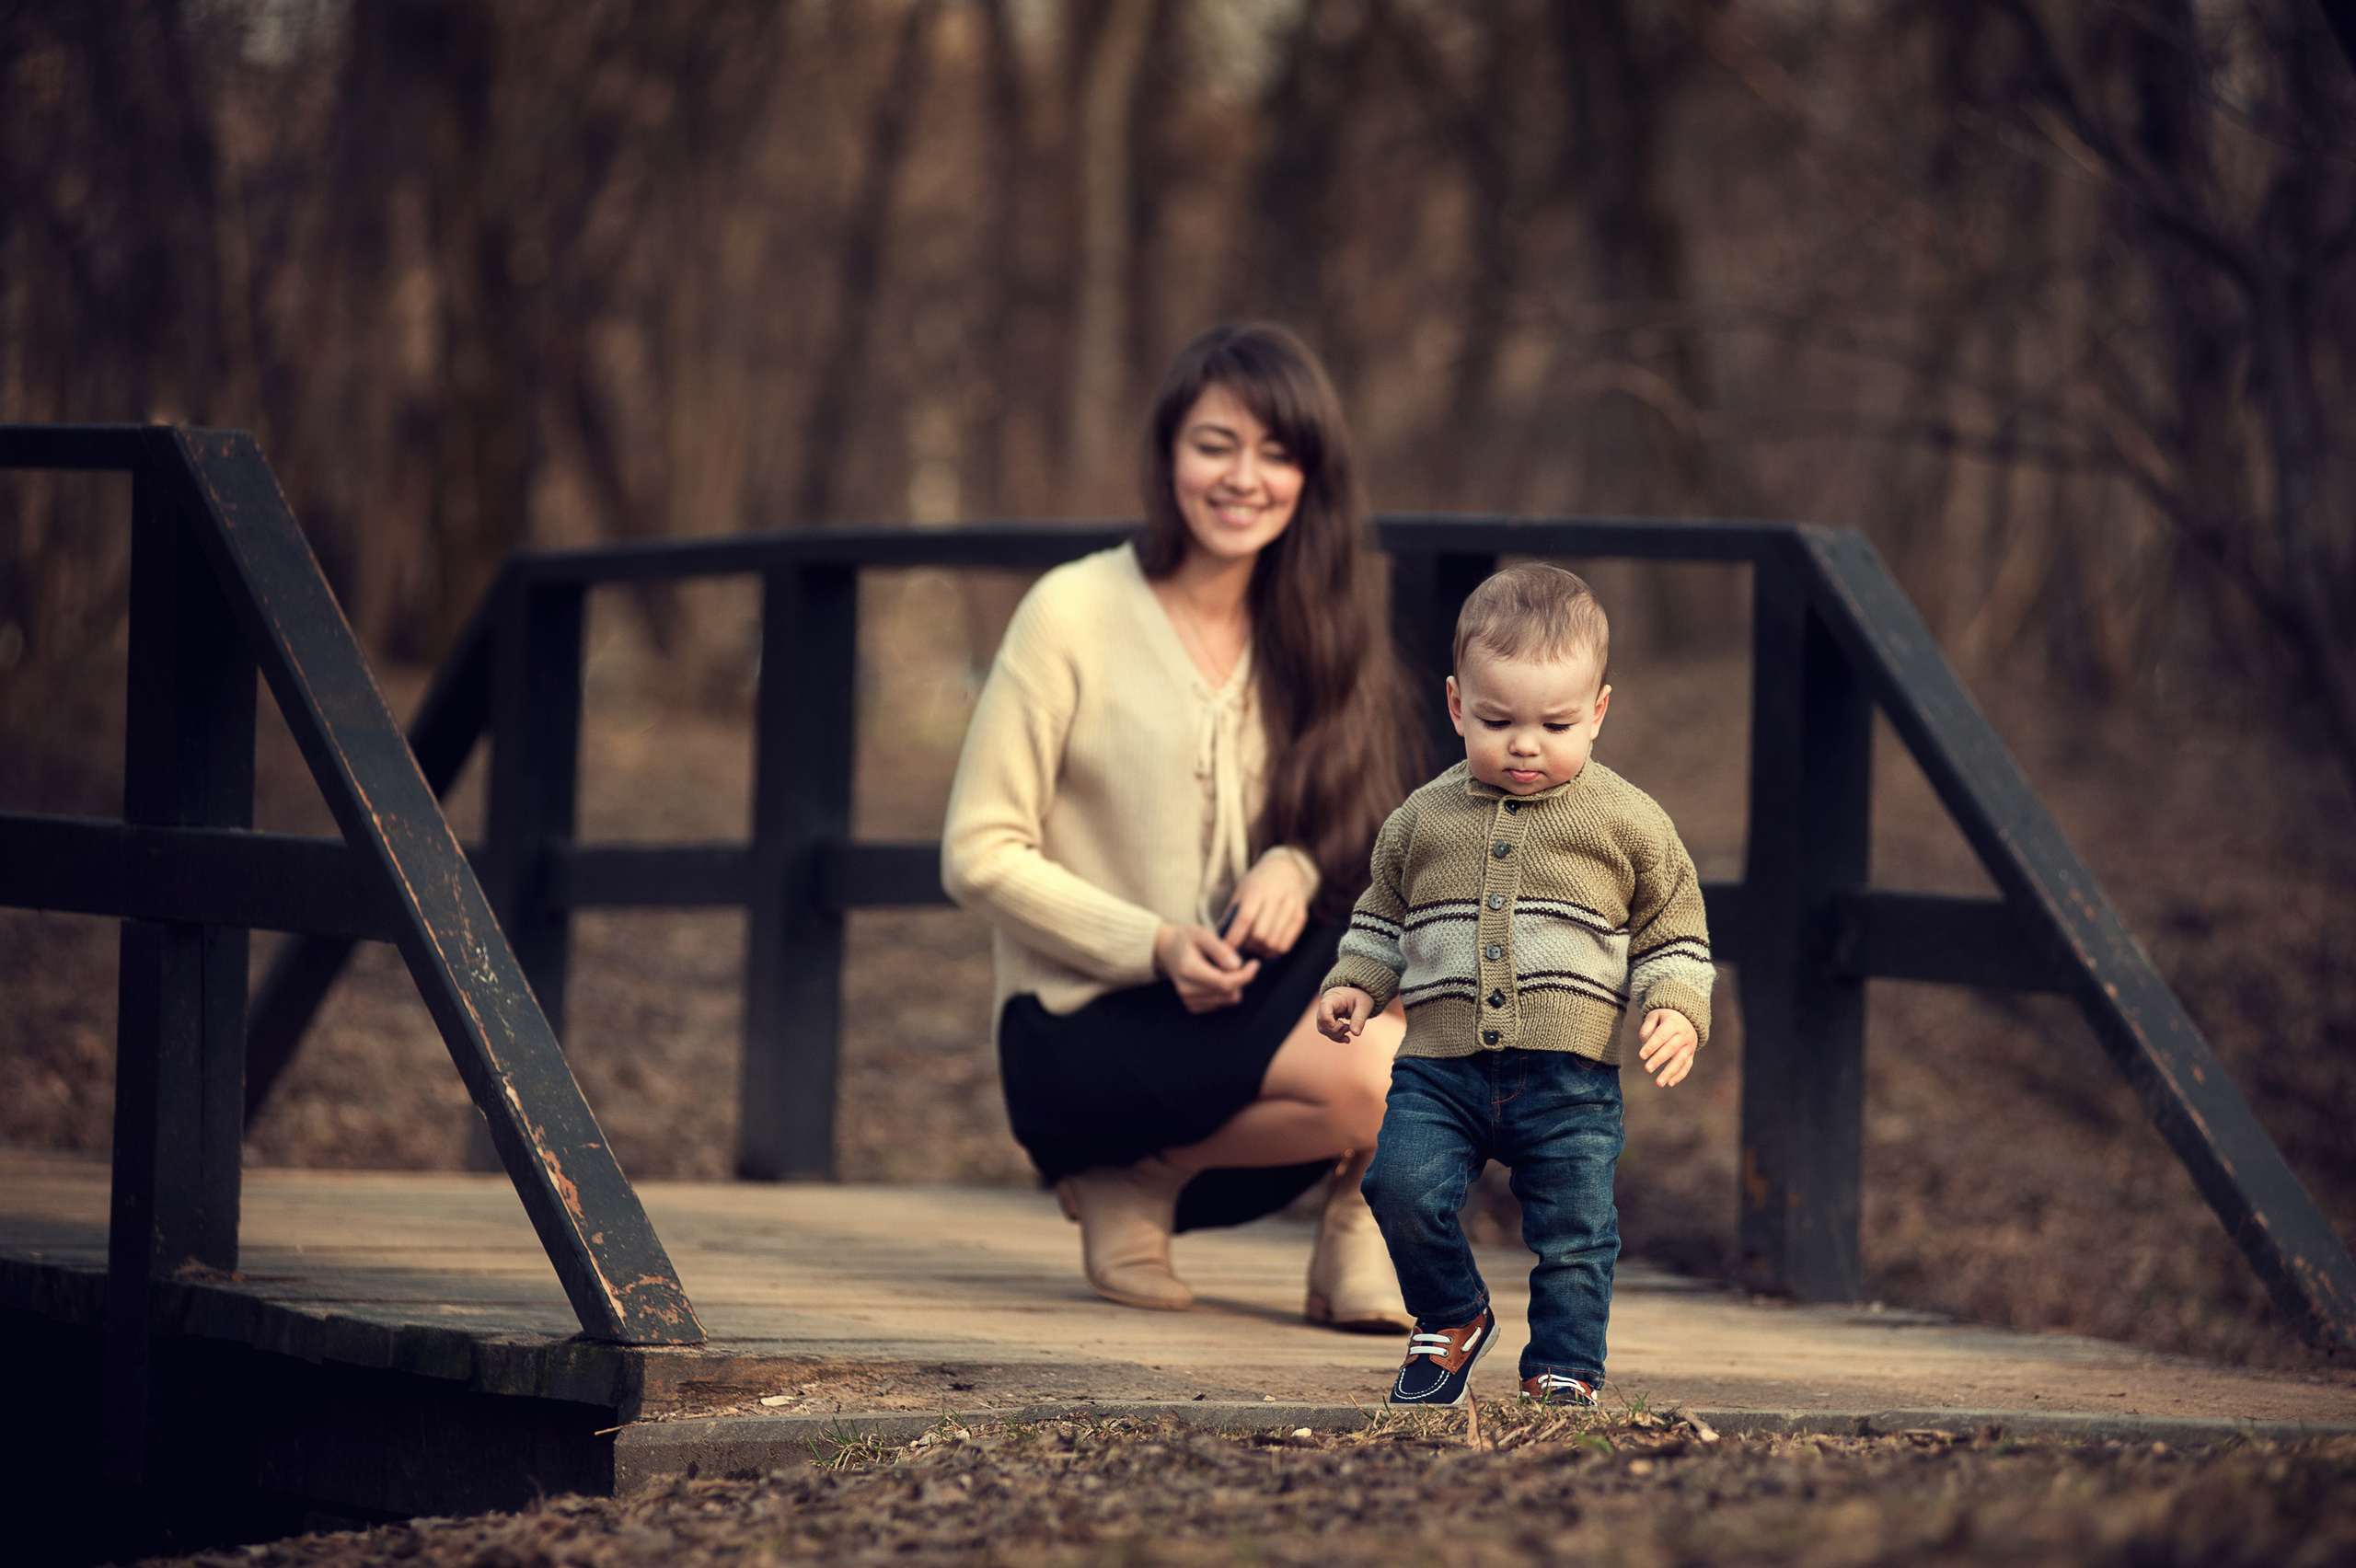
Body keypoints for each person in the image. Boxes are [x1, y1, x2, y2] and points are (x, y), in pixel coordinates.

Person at [942, 322, 1422, 1325]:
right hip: (1087, 1025)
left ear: (1309, 477)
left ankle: (1355, 1230)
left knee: (1441, 966)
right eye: (1216, 444)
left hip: (1242, 1001)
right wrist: (1154, 945)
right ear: (1168, 456)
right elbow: (976, 853)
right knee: (1376, 1078)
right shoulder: (1070, 611)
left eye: (1276, 452)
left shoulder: (1314, 631)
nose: (1244, 477)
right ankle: (1123, 1170)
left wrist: (1295, 861)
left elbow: (1374, 832)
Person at [1315, 563, 1714, 1406]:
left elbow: (1674, 928)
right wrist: (1357, 980)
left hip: (1568, 1078)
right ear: (1458, 705)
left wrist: (1676, 1005)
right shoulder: (1421, 818)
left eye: (1556, 722)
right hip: (1440, 1068)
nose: (1525, 744)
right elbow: (1382, 915)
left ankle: (1565, 1368)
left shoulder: (1627, 821)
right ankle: (1451, 1315)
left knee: (1574, 1231)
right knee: (1400, 1185)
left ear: (1599, 712)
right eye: (1497, 720)